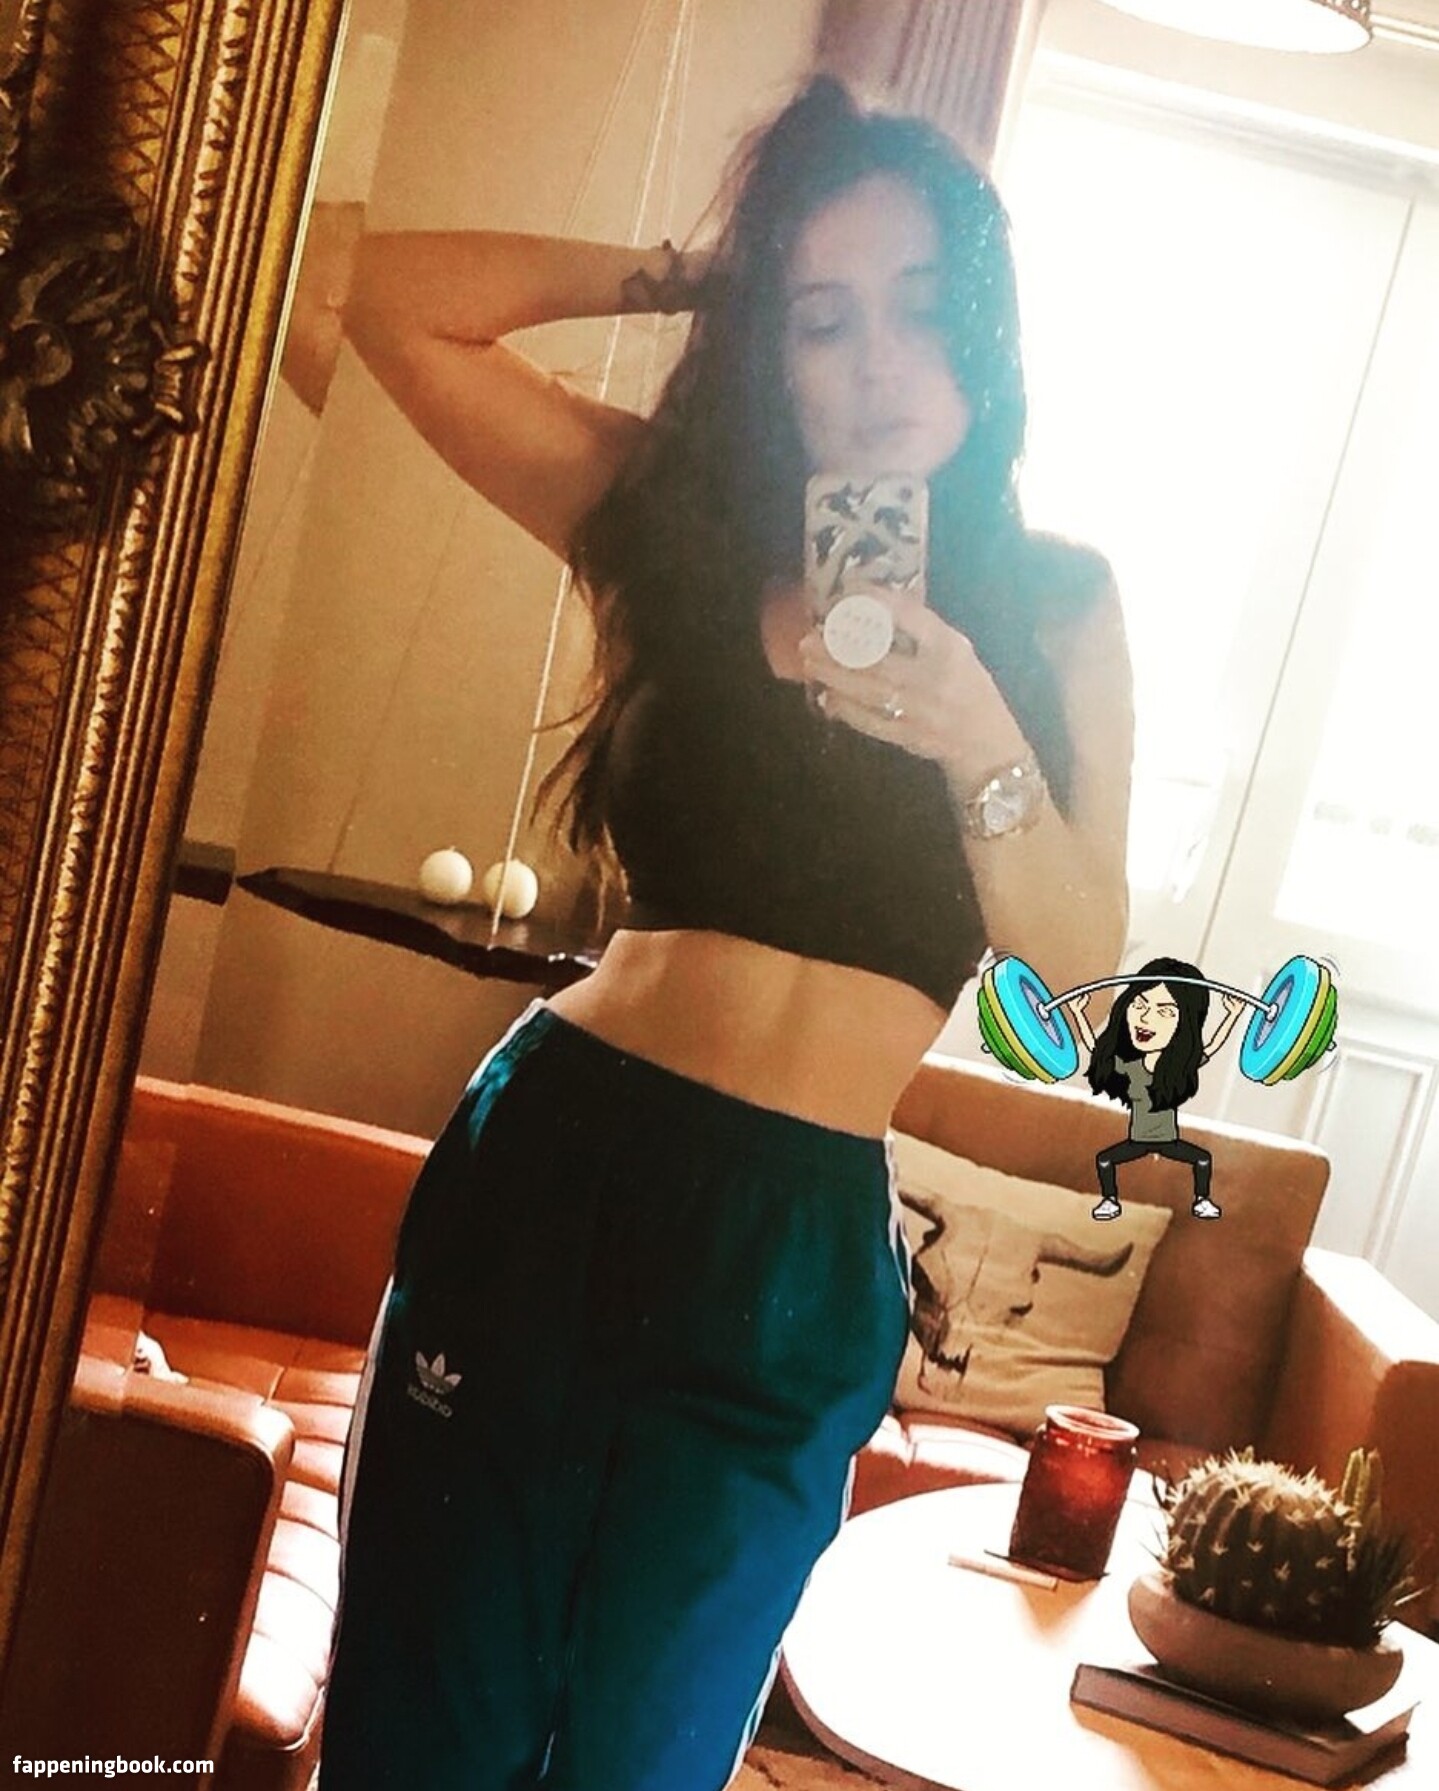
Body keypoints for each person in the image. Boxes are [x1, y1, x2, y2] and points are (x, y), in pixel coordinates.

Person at [309, 76, 1133, 1791]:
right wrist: (697, 273)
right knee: (422, 1722)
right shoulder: (671, 525)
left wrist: (973, 735)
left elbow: (1070, 973)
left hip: (793, 1241)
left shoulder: (1056, 607)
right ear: (770, 350)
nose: (875, 360)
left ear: (983, 325)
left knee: (649, 1754)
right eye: (819, 319)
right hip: (559, 1160)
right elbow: (372, 289)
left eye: (917, 306)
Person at [1067, 956, 1243, 1222]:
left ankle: (1202, 1200)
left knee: (1202, 1159)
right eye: (1139, 1004)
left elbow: (1211, 1047)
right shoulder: (1130, 1066)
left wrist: (1233, 1015)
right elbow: (1096, 1049)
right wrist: (1078, 1013)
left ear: (1185, 1023)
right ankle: (1109, 1201)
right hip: (1138, 1141)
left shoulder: (1178, 1067)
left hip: (1167, 1141)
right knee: (1105, 1159)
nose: (1146, 1018)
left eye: (1165, 1012)